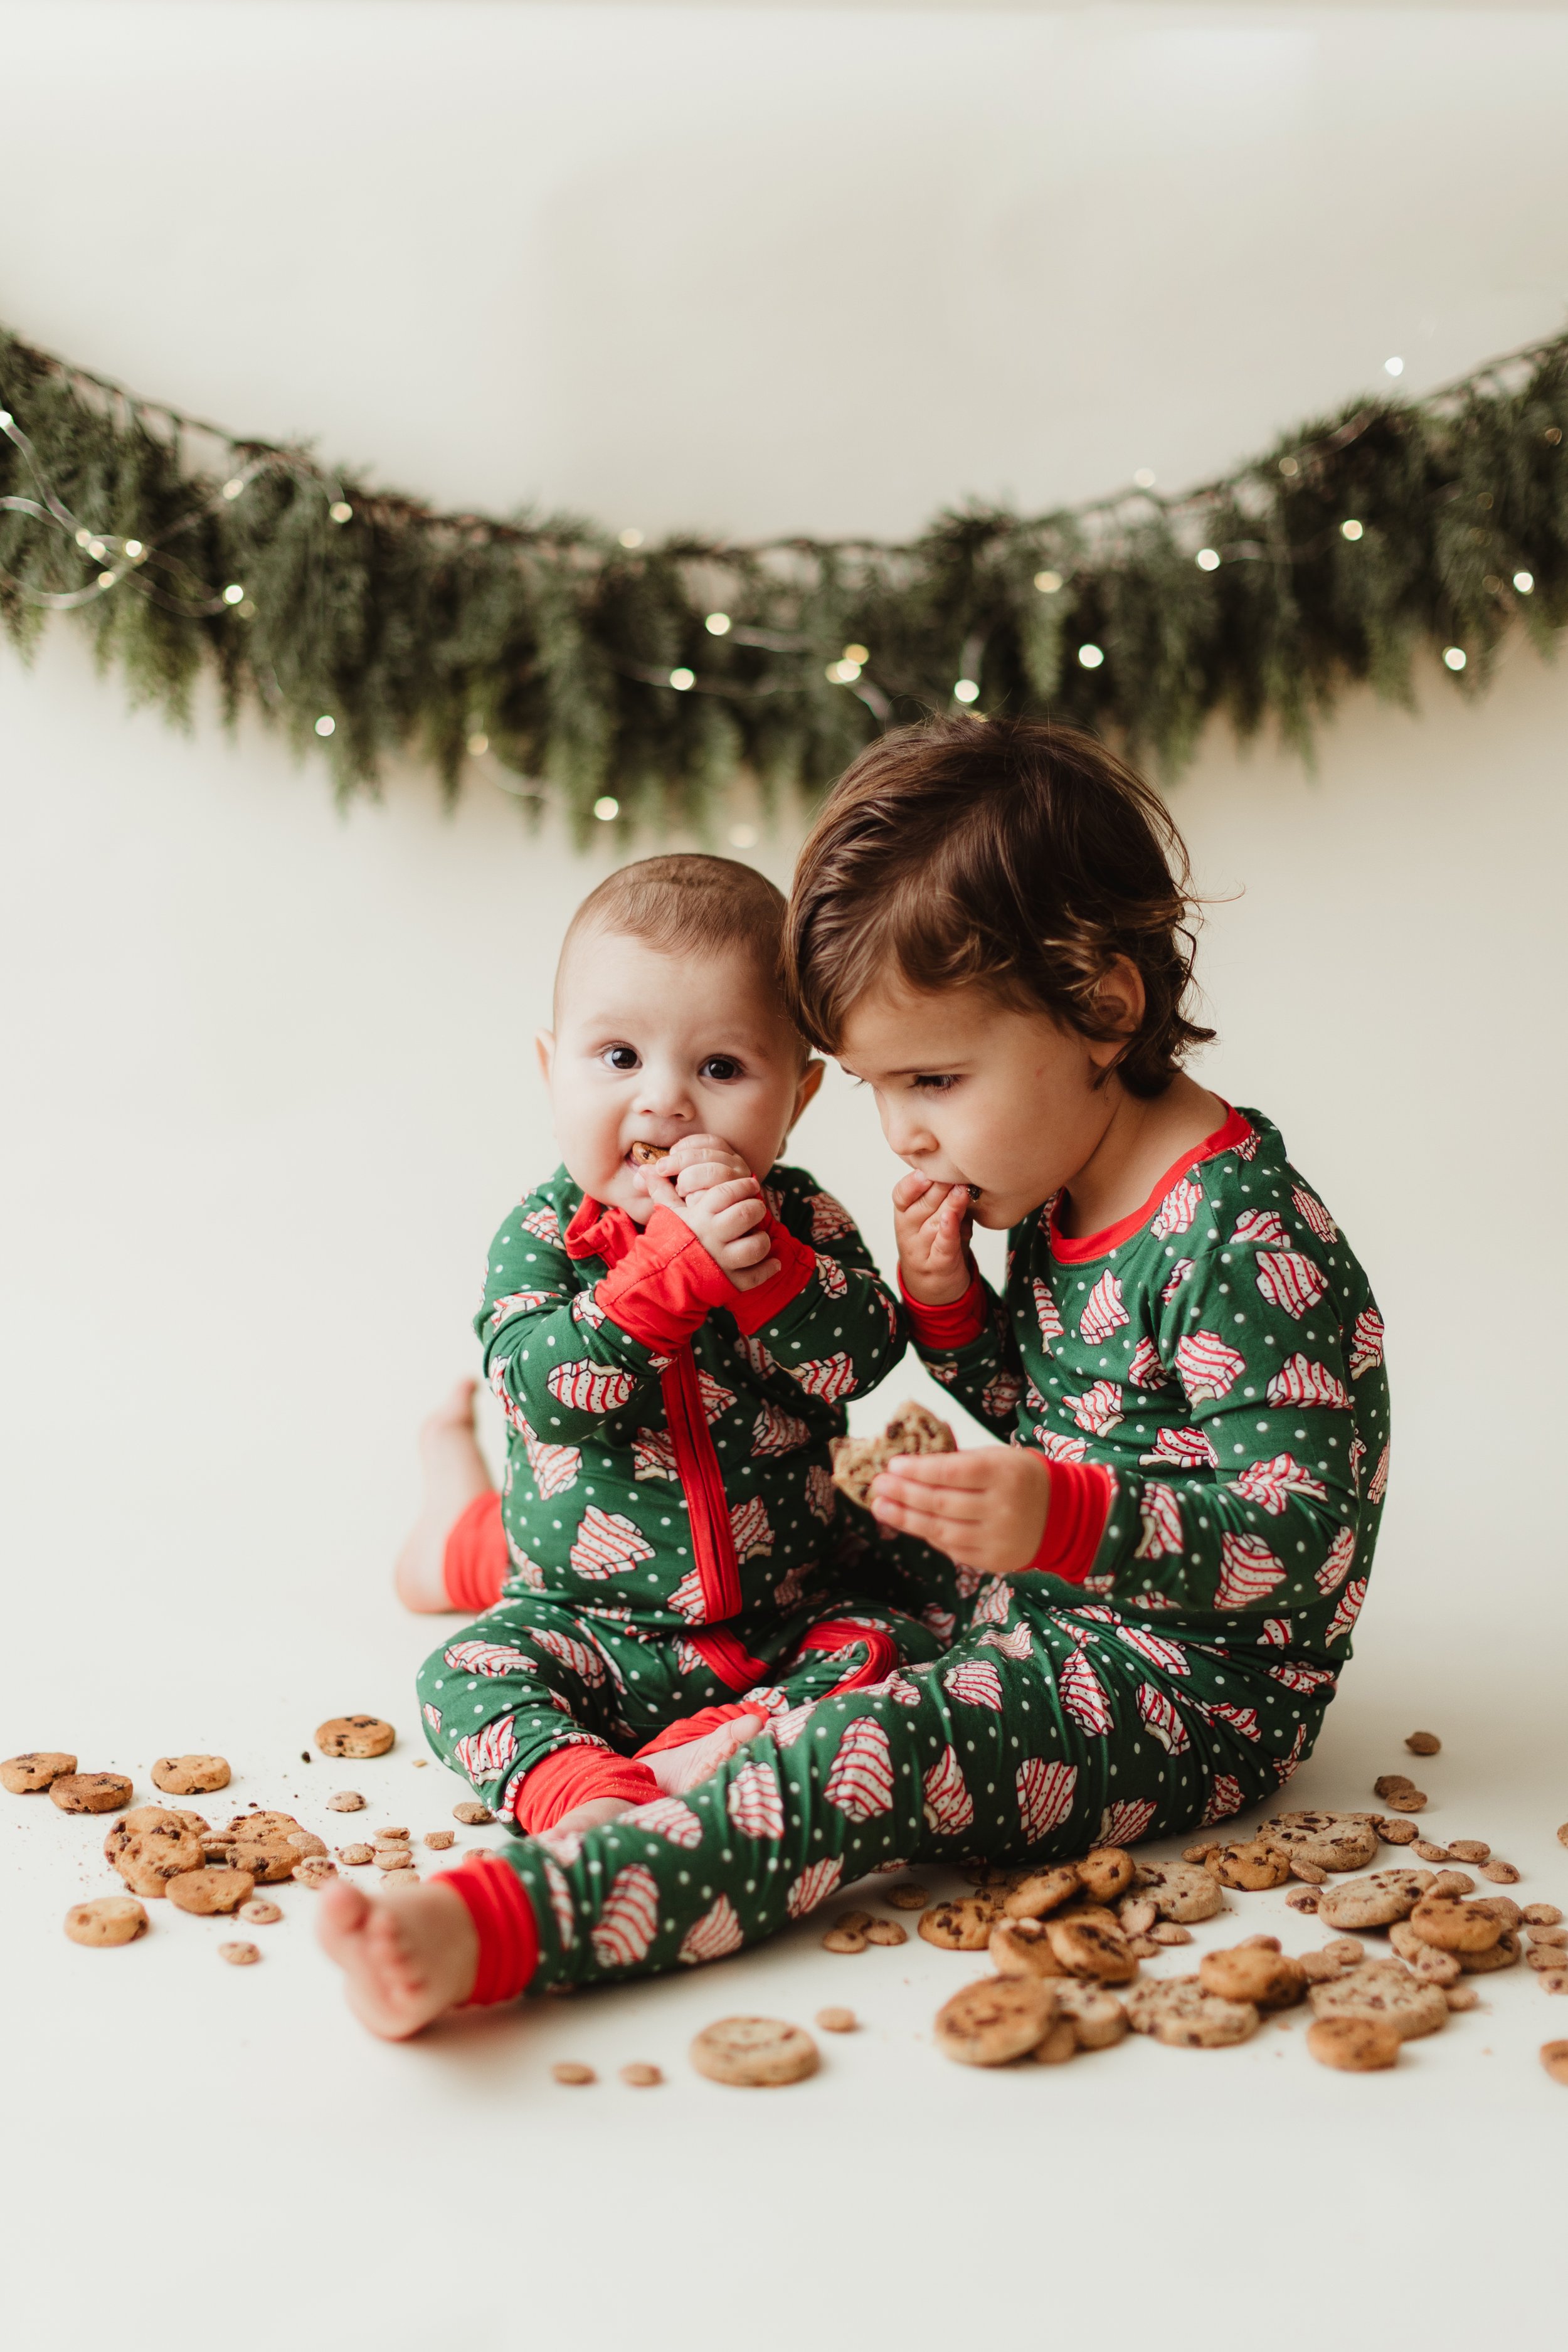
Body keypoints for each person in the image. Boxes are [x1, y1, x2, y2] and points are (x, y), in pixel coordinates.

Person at [320, 720, 1389, 2037]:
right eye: (881, 1087)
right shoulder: (1061, 1189)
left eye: (933, 1078)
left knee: (864, 1758)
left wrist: (1056, 1517)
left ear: (1103, 1007)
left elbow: (1299, 1543)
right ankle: (535, 1590)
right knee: (828, 1546)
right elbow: (1053, 1419)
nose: (904, 1133)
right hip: (1038, 1600)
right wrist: (949, 1311)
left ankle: (512, 1924)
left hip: (1182, 1687)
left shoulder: (1244, 1234)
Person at [392, 852, 950, 1848]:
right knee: (461, 1674)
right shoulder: (546, 1234)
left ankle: (725, 1741)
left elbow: (863, 1354)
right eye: (617, 1058)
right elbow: (542, 1388)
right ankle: (567, 1769)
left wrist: (771, 1272)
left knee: (905, 1637)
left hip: (785, 1608)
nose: (665, 1103)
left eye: (722, 1068)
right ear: (548, 1067)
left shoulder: (800, 1218)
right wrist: (661, 1286)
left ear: (800, 1096)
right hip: (590, 1619)